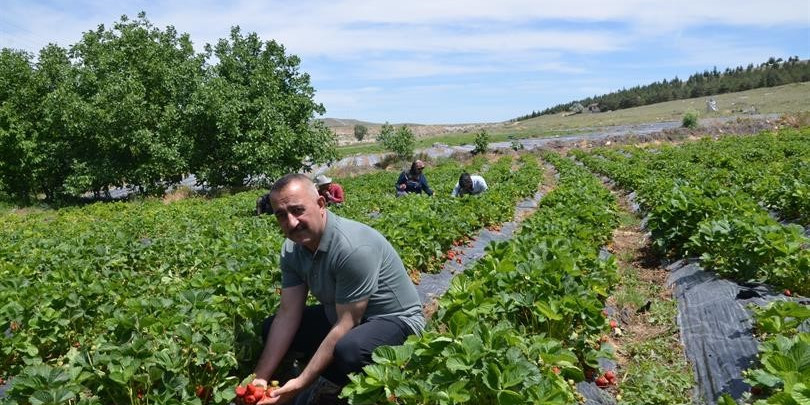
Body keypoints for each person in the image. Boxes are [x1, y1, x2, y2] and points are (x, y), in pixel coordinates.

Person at [249, 173, 425, 405]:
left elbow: (346, 325)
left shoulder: (353, 248)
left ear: (321, 204)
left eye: (298, 210)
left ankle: (339, 382)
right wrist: (260, 379)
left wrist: (302, 383)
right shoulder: (292, 249)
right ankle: (321, 373)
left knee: (349, 350)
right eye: (281, 215)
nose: (291, 222)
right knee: (271, 327)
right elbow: (288, 313)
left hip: (395, 321)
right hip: (342, 315)